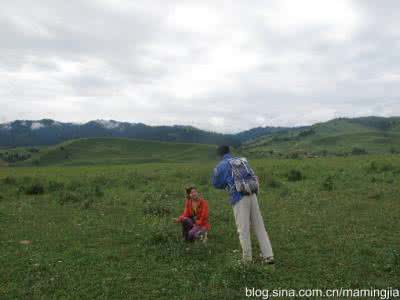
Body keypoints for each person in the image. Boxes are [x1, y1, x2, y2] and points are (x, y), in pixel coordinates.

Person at [212, 145, 274, 264]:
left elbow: (215, 183)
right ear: (230, 151)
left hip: (238, 197)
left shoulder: (221, 165)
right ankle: (268, 256)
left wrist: (225, 184)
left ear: (219, 155)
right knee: (259, 226)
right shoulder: (242, 160)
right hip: (252, 193)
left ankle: (247, 260)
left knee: (243, 229)